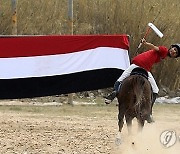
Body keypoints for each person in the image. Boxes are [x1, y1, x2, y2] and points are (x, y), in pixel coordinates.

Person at [105, 39, 180, 122]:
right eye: (174, 49)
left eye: (176, 53)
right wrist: (146, 43)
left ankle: (115, 93)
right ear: (171, 47)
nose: (174, 52)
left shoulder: (163, 55)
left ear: (175, 57)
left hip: (143, 67)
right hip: (139, 65)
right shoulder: (164, 50)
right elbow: (155, 47)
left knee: (120, 80)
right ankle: (148, 113)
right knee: (155, 90)